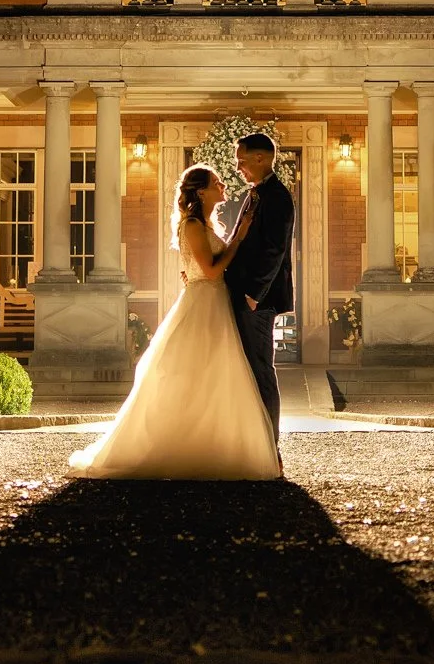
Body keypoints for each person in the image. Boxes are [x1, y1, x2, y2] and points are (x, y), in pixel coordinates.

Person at [67, 160, 282, 479]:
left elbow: (210, 266)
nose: (223, 187)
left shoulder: (207, 225)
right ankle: (182, 445)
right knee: (196, 373)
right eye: (216, 183)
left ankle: (213, 445)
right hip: (203, 302)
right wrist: (238, 240)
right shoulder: (193, 225)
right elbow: (209, 270)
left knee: (216, 375)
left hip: (214, 301)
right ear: (201, 191)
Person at [220, 132, 294, 444]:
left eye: (242, 161)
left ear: (261, 158)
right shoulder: (257, 193)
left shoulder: (276, 196)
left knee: (262, 369)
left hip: (257, 301)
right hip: (244, 295)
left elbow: (274, 250)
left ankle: (269, 444)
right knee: (249, 369)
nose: (239, 168)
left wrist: (254, 294)